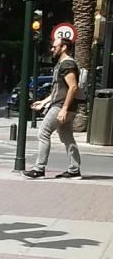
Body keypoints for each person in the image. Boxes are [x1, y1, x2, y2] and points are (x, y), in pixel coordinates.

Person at [23, 38, 83, 179]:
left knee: (43, 133)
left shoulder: (67, 64)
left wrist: (64, 109)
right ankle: (74, 170)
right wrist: (43, 102)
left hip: (61, 106)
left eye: (54, 47)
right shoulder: (61, 64)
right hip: (62, 105)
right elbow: (59, 89)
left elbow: (73, 87)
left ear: (63, 48)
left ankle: (39, 169)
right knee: (67, 136)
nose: (52, 49)